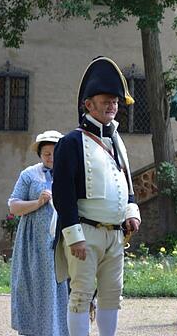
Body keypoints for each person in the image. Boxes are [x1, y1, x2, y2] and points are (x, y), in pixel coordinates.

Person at [52, 56, 141, 336]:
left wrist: (131, 211)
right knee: (81, 295)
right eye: (106, 101)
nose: (112, 106)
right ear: (88, 104)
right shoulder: (70, 143)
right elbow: (62, 193)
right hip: (85, 233)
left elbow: (125, 181)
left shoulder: (117, 140)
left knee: (113, 295)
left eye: (115, 101)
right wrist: (73, 235)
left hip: (115, 235)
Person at [8, 130, 69, 336]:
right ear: (40, 155)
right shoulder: (29, 175)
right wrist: (38, 202)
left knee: (60, 283)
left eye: (54, 153)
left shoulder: (70, 173)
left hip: (61, 239)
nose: (51, 158)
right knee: (33, 284)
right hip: (34, 240)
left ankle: (59, 330)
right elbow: (14, 207)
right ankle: (35, 331)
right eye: (46, 154)